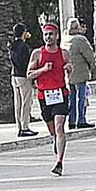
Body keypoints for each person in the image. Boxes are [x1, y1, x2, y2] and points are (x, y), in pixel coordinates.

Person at [29, 20, 71, 176]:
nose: (48, 37)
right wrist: (43, 69)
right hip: (44, 95)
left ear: (57, 36)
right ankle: (54, 138)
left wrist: (69, 68)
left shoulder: (63, 53)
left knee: (60, 126)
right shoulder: (37, 54)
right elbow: (29, 74)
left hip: (60, 93)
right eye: (46, 34)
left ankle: (59, 161)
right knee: (52, 128)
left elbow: (69, 67)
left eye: (51, 34)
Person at [63, 18, 96, 130]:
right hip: (80, 72)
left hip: (69, 73)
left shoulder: (65, 40)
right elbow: (89, 55)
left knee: (72, 97)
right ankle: (81, 119)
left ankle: (72, 120)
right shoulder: (80, 40)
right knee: (81, 97)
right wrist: (92, 66)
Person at [7, 23, 38, 137]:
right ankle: (25, 126)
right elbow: (27, 63)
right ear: (23, 32)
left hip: (14, 75)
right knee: (26, 102)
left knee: (18, 103)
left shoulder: (12, 45)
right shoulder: (24, 47)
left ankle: (20, 126)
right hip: (24, 76)